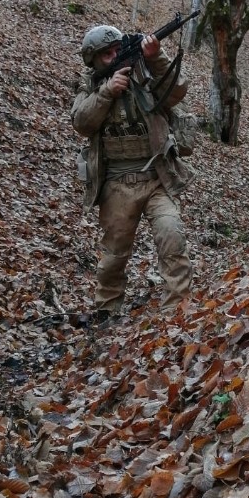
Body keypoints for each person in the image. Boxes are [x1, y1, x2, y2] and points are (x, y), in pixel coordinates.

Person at [71, 23, 194, 322]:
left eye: (118, 50)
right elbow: (81, 123)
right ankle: (106, 311)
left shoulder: (143, 71)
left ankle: (176, 313)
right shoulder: (91, 84)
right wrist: (106, 92)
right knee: (114, 255)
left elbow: (177, 91)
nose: (115, 57)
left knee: (172, 236)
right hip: (117, 184)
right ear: (93, 60)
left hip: (156, 178)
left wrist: (157, 57)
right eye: (107, 54)